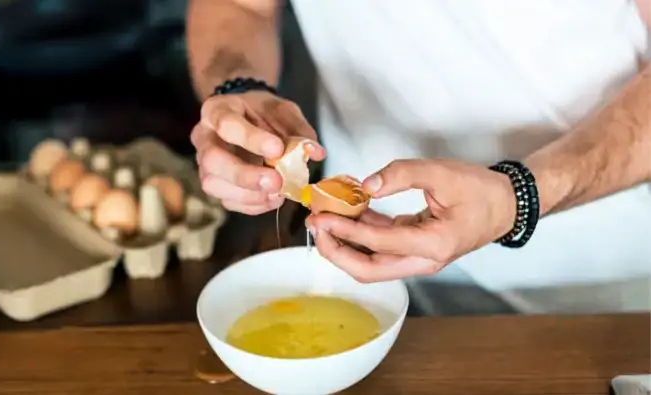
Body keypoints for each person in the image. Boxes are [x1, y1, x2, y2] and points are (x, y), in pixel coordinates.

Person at [188, 0, 651, 314]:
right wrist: (237, 89)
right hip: (372, 269)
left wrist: (521, 196)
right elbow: (238, 6)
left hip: (606, 290)